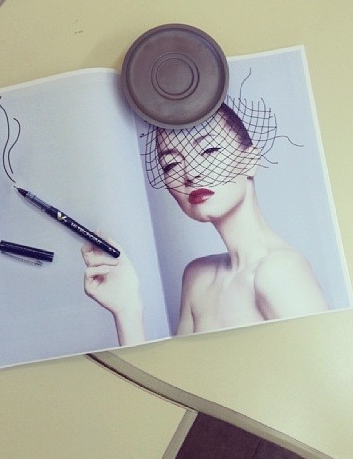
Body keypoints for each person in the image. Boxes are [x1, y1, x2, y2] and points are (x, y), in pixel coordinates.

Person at [81, 102, 328, 346]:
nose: (191, 173)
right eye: (171, 164)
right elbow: (177, 373)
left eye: (208, 151)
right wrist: (127, 309)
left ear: (250, 160)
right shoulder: (198, 276)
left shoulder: (280, 272)